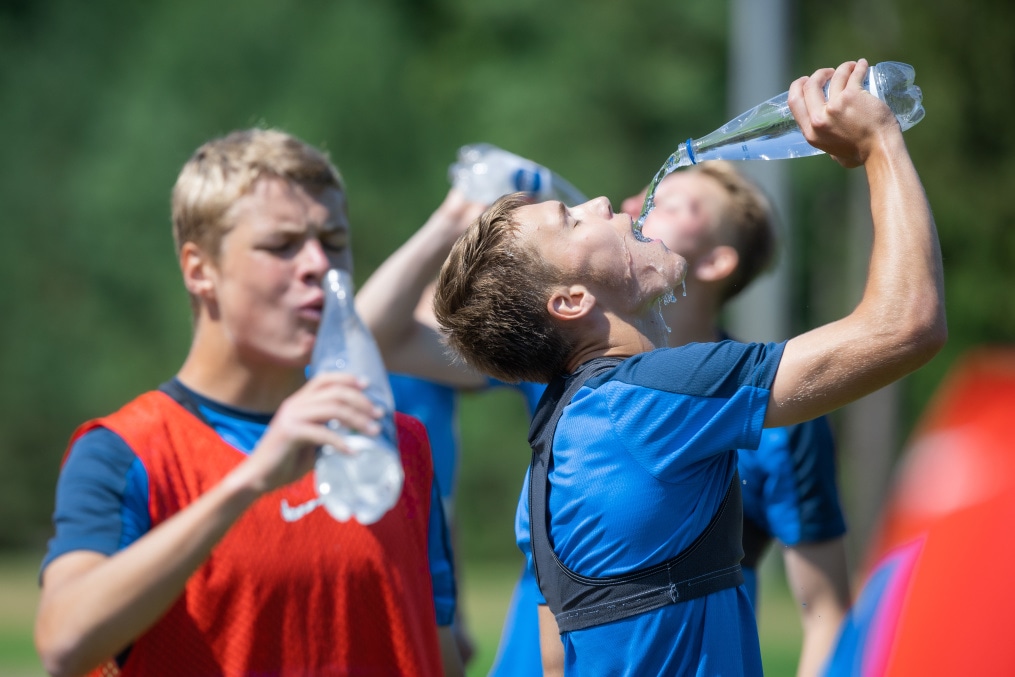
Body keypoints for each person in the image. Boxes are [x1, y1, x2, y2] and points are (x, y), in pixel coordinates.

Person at [433, 59, 946, 675]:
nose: (596, 201)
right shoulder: (651, 401)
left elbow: (553, 659)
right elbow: (906, 326)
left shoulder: (551, 446)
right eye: (569, 221)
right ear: (571, 302)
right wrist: (879, 145)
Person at [34, 128, 463, 677]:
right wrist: (248, 481)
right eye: (280, 245)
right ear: (199, 270)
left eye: (333, 241)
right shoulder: (125, 452)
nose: (317, 264)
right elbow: (62, 644)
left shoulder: (397, 442)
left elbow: (437, 656)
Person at [624, 162, 850, 677]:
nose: (636, 205)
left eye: (672, 202)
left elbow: (827, 615)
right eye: (643, 193)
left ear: (714, 262)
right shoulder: (565, 364)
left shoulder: (781, 412)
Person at [356, 187, 547, 670]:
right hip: (551, 601)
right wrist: (451, 219)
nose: (627, 205)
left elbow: (438, 502)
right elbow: (370, 334)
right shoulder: (550, 345)